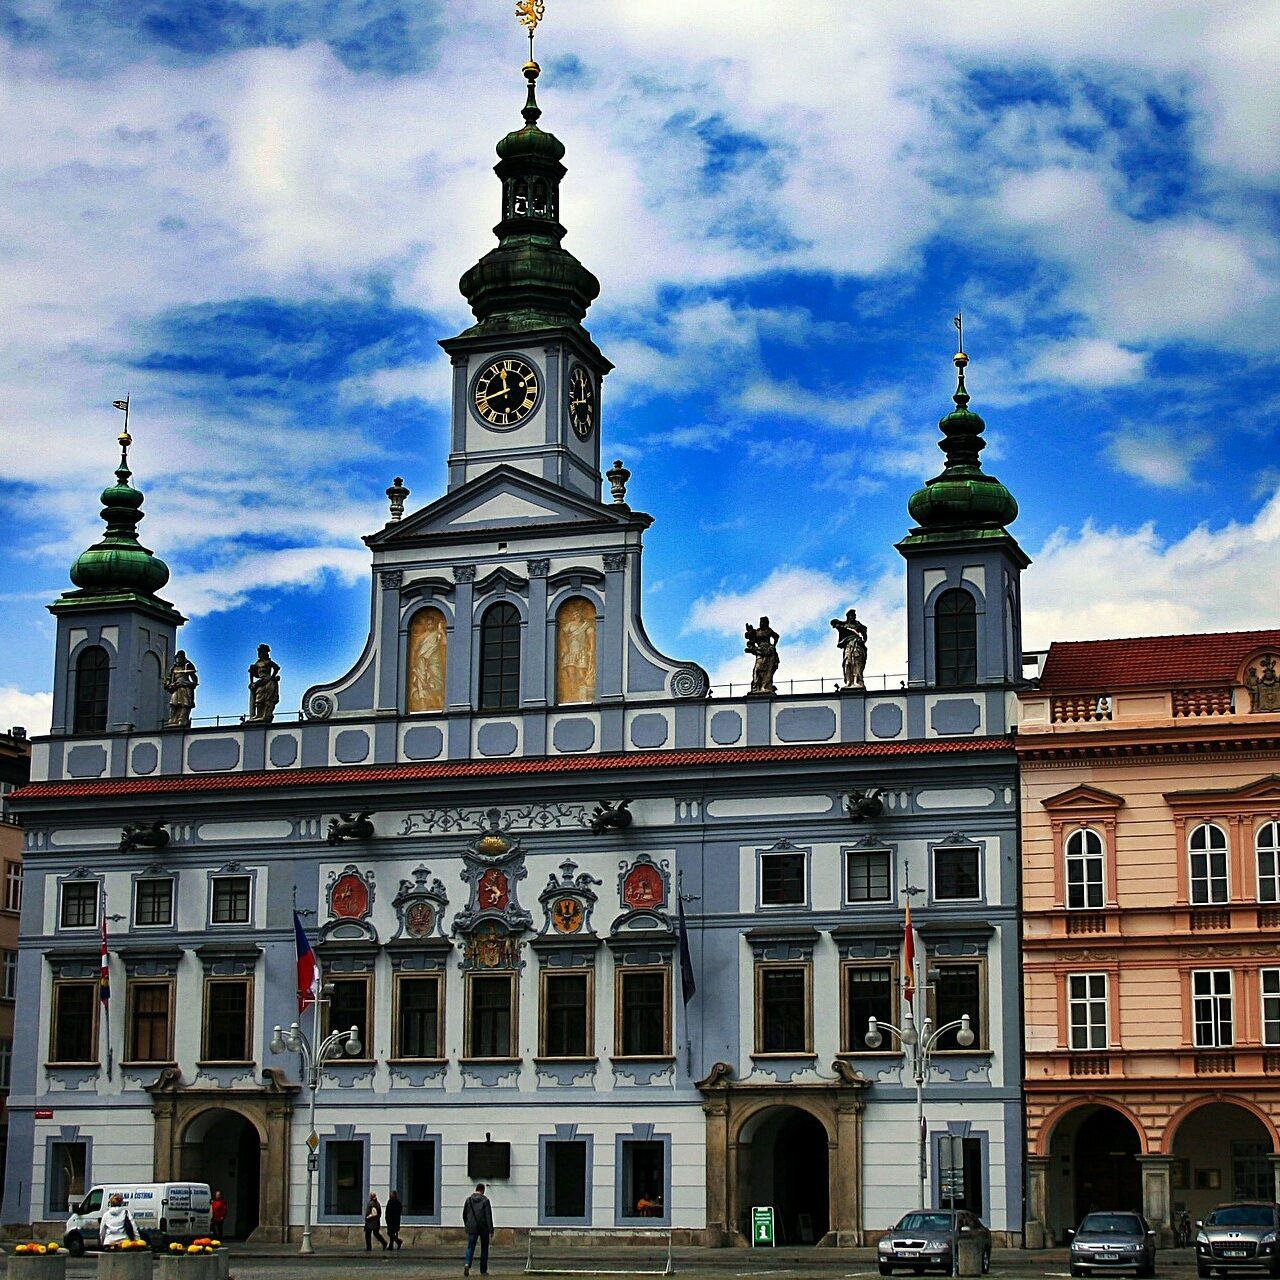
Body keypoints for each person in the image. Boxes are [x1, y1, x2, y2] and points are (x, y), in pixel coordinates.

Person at [830, 608, 869, 690]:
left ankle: (856, 681)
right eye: (851, 616)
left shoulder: (858, 625)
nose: (853, 617)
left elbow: (864, 633)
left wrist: (863, 640)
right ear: (848, 617)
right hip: (848, 645)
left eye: (854, 616)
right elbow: (836, 624)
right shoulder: (845, 625)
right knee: (847, 663)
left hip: (857, 644)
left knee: (856, 662)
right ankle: (848, 681)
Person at [462, 1183, 493, 1276]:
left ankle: (467, 1263)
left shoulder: (469, 1200)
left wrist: (467, 1225)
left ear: (476, 1189)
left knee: (470, 1247)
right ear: (483, 1190)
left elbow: (464, 1214)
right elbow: (488, 1216)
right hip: (483, 1228)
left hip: (472, 1227)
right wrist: (491, 1229)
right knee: (484, 1248)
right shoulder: (485, 1201)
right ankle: (483, 1270)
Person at [744, 616, 780, 695]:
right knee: (757, 669)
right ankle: (756, 686)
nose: (761, 623)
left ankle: (765, 686)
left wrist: (773, 645)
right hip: (759, 651)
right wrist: (750, 631)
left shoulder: (769, 631)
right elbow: (751, 638)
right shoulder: (757, 631)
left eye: (763, 622)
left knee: (768, 670)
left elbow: (776, 636)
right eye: (761, 622)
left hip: (768, 651)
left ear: (766, 623)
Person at [164, 650, 199, 728]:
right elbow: (169, 679)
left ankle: (182, 719)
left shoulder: (186, 666)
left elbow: (194, 678)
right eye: (177, 658)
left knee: (185, 704)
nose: (178, 659)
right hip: (176, 687)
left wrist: (189, 684)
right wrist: (169, 684)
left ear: (183, 658)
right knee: (173, 704)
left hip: (184, 687)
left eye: (180, 658)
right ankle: (172, 719)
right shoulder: (173, 668)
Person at [247, 643, 281, 723]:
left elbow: (277, 668)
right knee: (258, 699)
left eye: (261, 652)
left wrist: (272, 677)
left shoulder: (268, 662)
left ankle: (265, 716)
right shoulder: (257, 663)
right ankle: (259, 715)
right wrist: (251, 683)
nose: (260, 654)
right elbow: (251, 672)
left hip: (268, 682)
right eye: (259, 653)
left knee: (267, 700)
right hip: (261, 682)